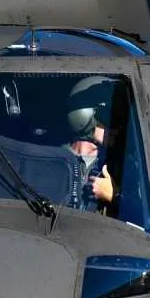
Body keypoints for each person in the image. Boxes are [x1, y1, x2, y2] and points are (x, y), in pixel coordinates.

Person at [63, 76, 116, 212]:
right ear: (84, 115)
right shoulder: (51, 157)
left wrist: (113, 195)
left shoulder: (118, 168)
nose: (117, 128)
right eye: (109, 117)